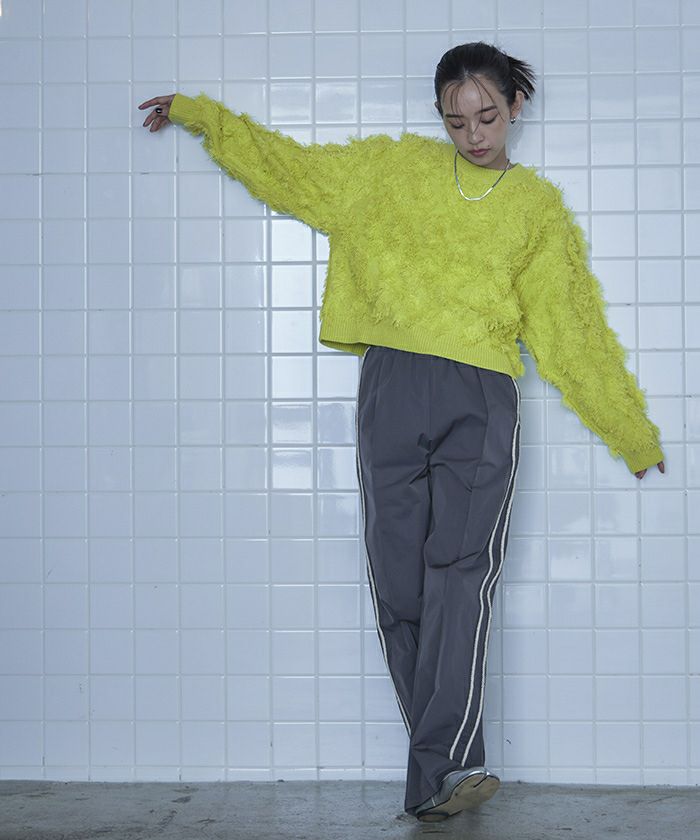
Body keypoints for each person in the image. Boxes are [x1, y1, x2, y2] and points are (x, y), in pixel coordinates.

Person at [138, 41, 666, 822]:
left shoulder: (535, 209)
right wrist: (202, 117)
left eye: (488, 116)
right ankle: (443, 769)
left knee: (460, 574)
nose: (474, 134)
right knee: (399, 584)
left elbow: (570, 330)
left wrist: (629, 431)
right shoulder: (389, 171)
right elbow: (290, 171)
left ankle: (445, 769)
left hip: (479, 398)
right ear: (439, 117)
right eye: (456, 120)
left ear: (516, 106)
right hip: (390, 387)